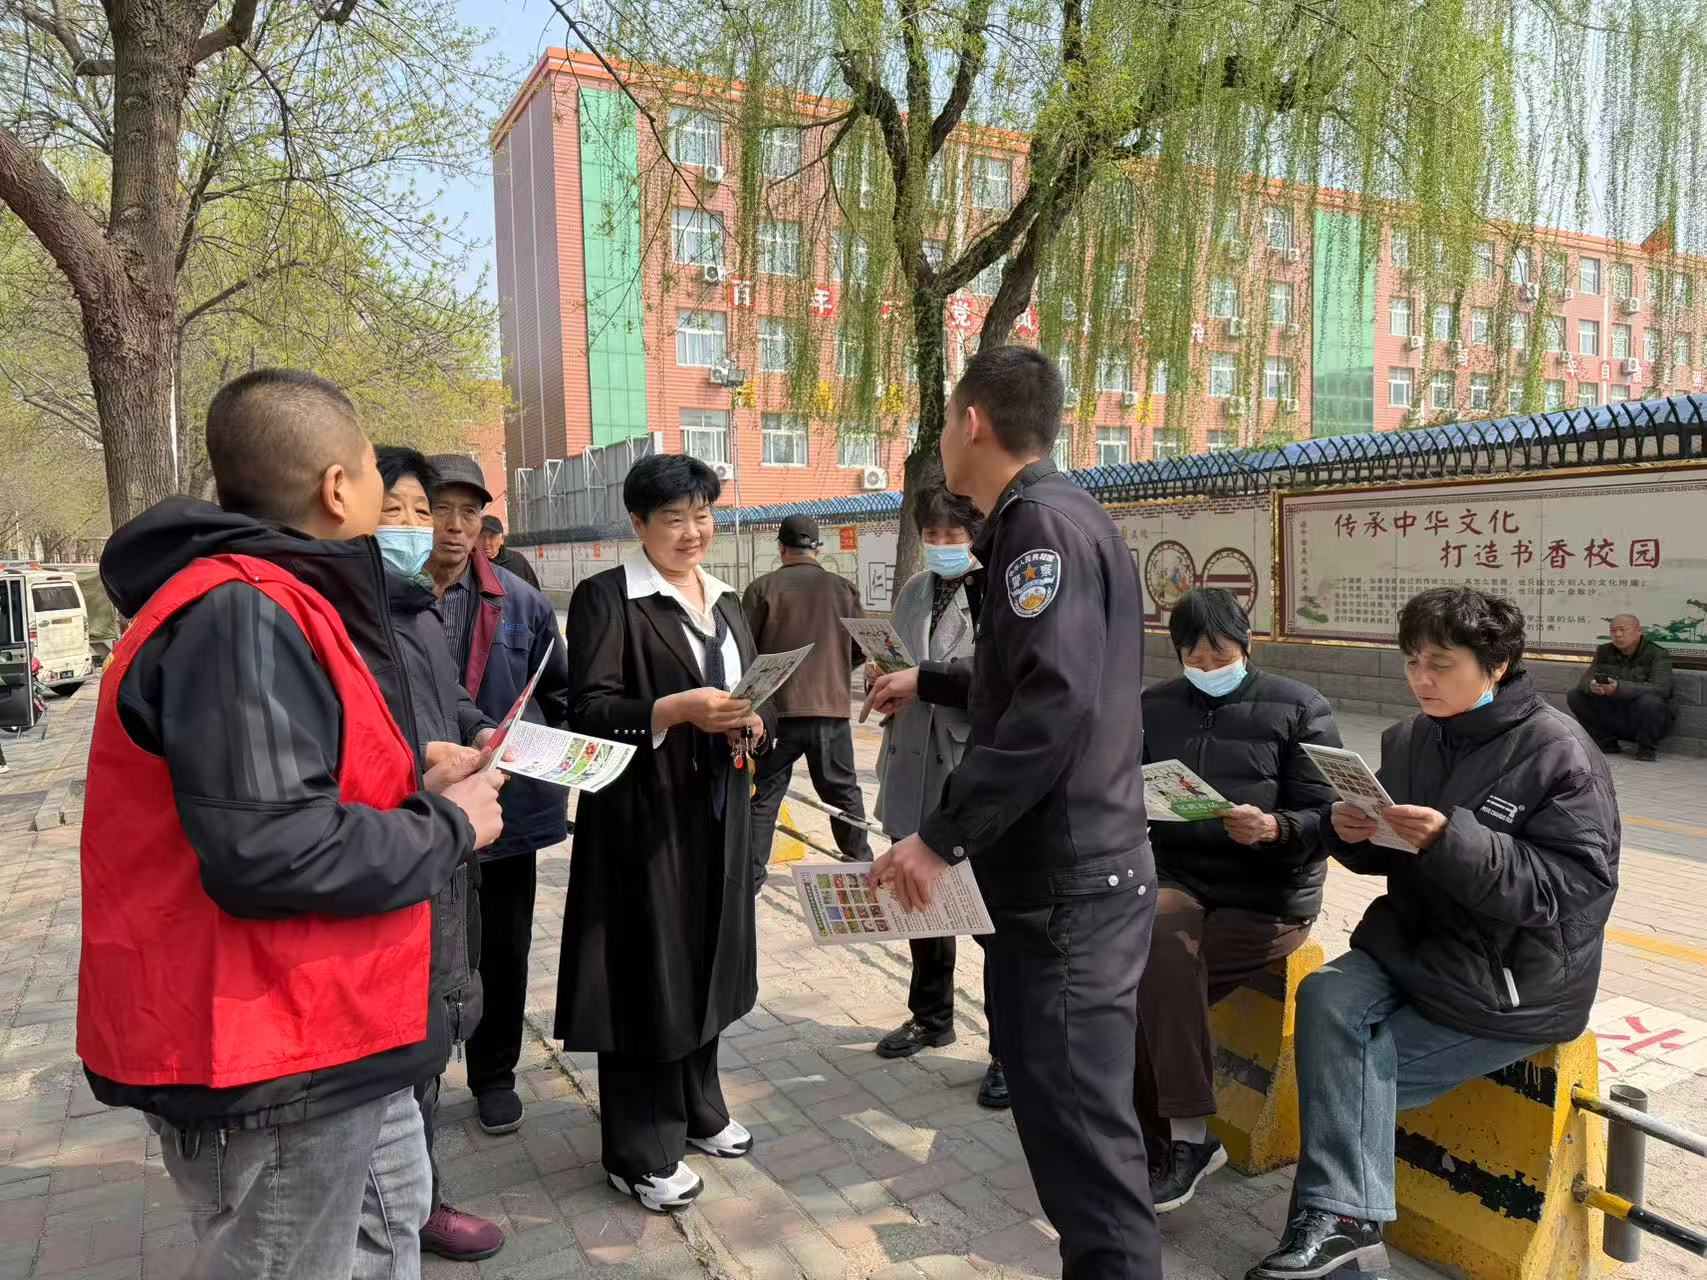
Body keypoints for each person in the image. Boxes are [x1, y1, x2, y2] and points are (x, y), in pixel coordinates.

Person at [78, 369, 505, 1278]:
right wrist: (449, 825)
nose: (405, 512)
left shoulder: (284, 602)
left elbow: (288, 790)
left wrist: (412, 776)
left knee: (388, 1232)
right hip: (269, 1049)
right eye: (380, 479)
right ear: (337, 488)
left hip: (338, 1026)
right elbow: (270, 851)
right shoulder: (240, 612)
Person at [867, 346, 1159, 1280]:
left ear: (973, 422)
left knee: (1082, 1142)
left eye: (946, 420)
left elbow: (1050, 705)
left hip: (1067, 885)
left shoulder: (1036, 527)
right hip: (1074, 873)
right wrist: (931, 678)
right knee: (1067, 1125)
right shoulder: (1063, 513)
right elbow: (1035, 677)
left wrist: (940, 837)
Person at [1246, 587, 1619, 1280]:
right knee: (1325, 995)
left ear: (1496, 664)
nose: (1422, 678)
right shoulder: (1411, 738)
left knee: (1352, 1066)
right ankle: (1344, 1231)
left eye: (1441, 664)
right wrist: (1348, 831)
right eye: (1412, 661)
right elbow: (1386, 848)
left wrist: (1452, 841)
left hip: (1511, 981)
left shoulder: (1558, 753)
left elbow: (1572, 890)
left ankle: (1335, 1231)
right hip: (1412, 947)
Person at [555, 454, 775, 1213]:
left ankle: (699, 1107)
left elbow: (751, 698)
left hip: (717, 812)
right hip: (642, 823)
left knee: (709, 960)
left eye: (702, 515)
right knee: (648, 974)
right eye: (674, 518)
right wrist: (673, 710)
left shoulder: (727, 600)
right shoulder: (607, 597)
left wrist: (753, 725)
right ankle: (638, 1149)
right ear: (639, 524)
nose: (692, 532)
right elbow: (587, 710)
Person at [1135, 588, 1341, 1213]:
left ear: (1246, 645)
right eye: (1193, 657)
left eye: (1219, 655)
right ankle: (1182, 1140)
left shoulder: (1299, 707)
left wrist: (1275, 828)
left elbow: (1330, 818)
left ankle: (1169, 1144)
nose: (1207, 667)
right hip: (1182, 877)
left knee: (1151, 993)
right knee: (1150, 954)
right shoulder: (1154, 706)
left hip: (1268, 895)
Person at [375, 447, 507, 1262]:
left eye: (420, 513)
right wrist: (417, 766)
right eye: (393, 511)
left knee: (431, 1027)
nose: (416, 528)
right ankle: (400, 1209)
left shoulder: (416, 610)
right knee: (397, 1036)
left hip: (448, 846)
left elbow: (449, 698)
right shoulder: (339, 617)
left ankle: (416, 1199)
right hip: (399, 847)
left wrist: (480, 730)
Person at [427, 455, 570, 1137]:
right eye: (439, 510)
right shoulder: (382, 602)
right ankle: (419, 1077)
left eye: (469, 512)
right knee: (421, 952)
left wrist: (549, 754)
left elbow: (559, 694)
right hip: (418, 809)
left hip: (508, 811)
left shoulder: (519, 600)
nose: (455, 527)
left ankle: (495, 1076)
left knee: (504, 950)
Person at [867, 480, 1007, 1110]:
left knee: (989, 919)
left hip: (966, 766)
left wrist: (920, 680)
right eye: (931, 534)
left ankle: (1007, 1050)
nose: (942, 544)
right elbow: (897, 660)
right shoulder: (915, 590)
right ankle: (931, 1016)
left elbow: (1000, 682)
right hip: (910, 759)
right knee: (917, 899)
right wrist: (882, 682)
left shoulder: (998, 594)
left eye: (954, 534)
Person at [744, 514, 872, 884]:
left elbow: (745, 650)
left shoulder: (761, 589)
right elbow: (861, 647)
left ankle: (751, 880)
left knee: (764, 796)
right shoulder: (844, 589)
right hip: (830, 711)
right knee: (843, 794)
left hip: (775, 714)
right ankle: (861, 869)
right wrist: (834, 672)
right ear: (818, 549)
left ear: (781, 547)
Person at [1566, 613, 1675, 762]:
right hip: (1614, 711)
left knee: (1651, 702)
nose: (1617, 635)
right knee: (1576, 695)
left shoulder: (1658, 654)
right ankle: (1606, 743)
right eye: (1613, 631)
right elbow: (1585, 681)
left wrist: (1619, 687)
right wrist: (1593, 686)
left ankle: (1646, 749)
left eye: (1623, 630)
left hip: (1642, 716)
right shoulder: (1604, 651)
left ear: (1639, 630)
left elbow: (1661, 688)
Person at [481, 514, 542, 590]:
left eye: (491, 537)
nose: (486, 542)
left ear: (502, 539)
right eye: (481, 536)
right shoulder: (471, 564)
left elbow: (534, 592)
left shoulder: (517, 560)